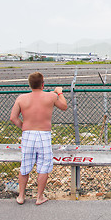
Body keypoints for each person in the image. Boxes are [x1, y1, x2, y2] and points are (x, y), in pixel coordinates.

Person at [10, 72, 67, 205]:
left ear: (30, 84)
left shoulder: (21, 98)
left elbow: (13, 117)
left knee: (25, 166)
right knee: (43, 166)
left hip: (28, 134)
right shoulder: (51, 96)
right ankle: (39, 197)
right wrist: (59, 92)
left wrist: (23, 126)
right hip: (43, 134)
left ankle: (21, 196)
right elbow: (64, 106)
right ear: (43, 84)